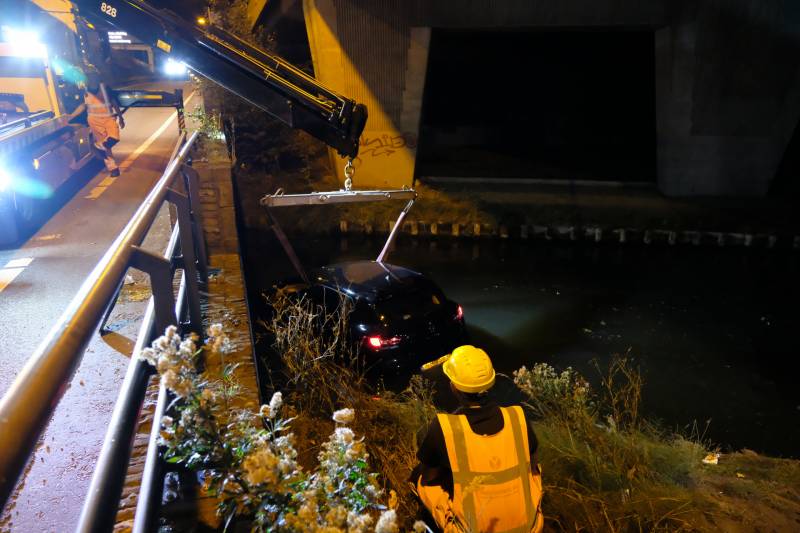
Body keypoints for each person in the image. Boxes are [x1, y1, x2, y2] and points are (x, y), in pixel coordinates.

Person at [411, 345, 544, 532]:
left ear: (454, 387)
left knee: (420, 479)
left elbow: (430, 476)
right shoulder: (517, 416)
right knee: (534, 472)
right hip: (529, 527)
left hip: (474, 529)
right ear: (491, 383)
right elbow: (533, 463)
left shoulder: (444, 427)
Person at [69, 70, 125, 177]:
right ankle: (113, 168)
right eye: (89, 76)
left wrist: (121, 117)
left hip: (108, 118)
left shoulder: (105, 88)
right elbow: (83, 106)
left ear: (97, 77)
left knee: (114, 138)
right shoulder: (85, 90)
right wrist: (71, 116)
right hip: (94, 121)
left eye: (93, 76)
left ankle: (97, 146)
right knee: (106, 146)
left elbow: (113, 102)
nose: (92, 78)